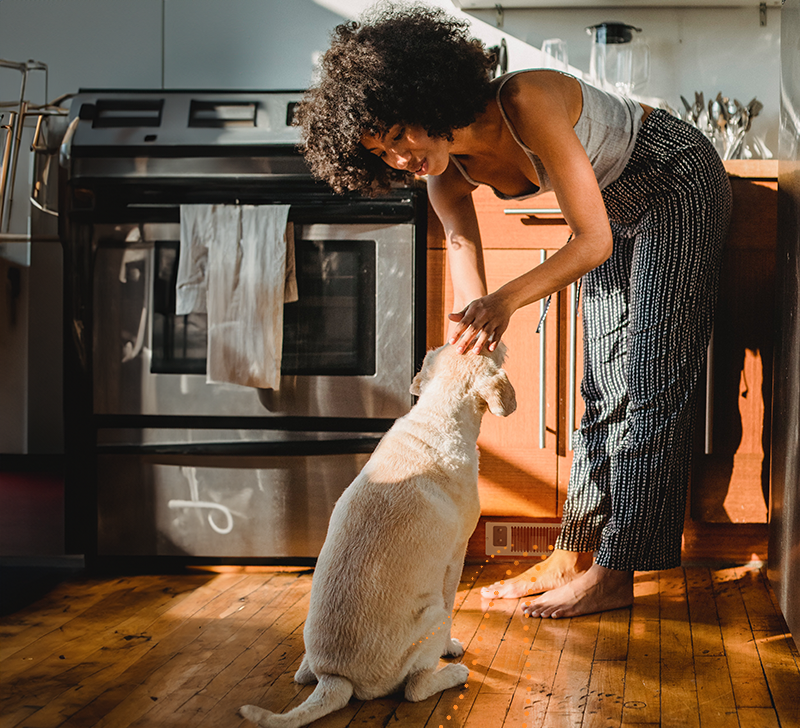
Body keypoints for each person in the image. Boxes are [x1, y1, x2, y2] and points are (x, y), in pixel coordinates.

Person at [295, 3, 732, 618]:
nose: (400, 159)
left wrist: (503, 302)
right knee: (602, 385)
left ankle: (617, 569)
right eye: (381, 152)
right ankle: (574, 549)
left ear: (428, 98)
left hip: (674, 182)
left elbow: (591, 240)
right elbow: (462, 248)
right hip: (611, 210)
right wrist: (472, 341)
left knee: (653, 376)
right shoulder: (444, 175)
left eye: (400, 137)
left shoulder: (525, 100)